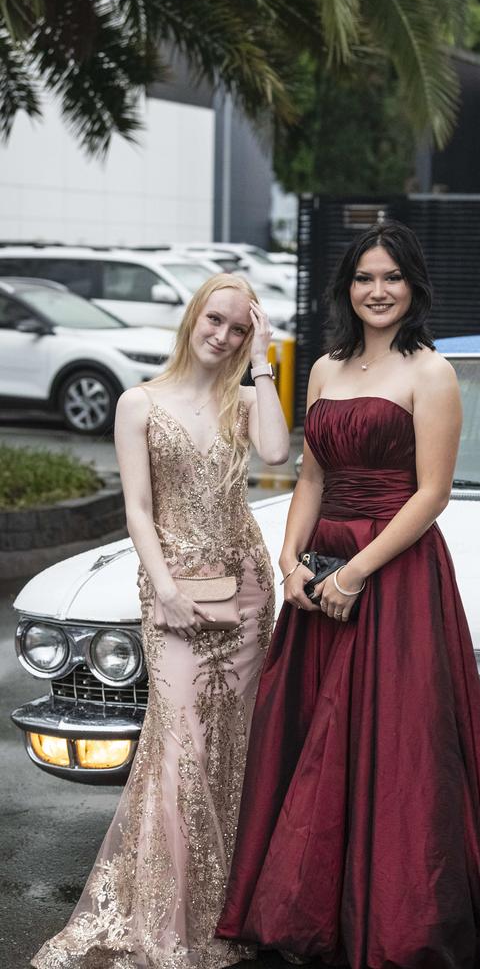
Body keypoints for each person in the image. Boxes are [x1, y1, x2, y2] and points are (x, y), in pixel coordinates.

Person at [215, 223, 480, 969]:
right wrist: (290, 560)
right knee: (318, 744)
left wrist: (354, 575)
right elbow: (312, 477)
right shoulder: (322, 367)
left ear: (412, 286)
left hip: (395, 574)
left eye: (391, 277)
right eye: (363, 278)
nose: (377, 290)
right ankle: (311, 911)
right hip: (321, 571)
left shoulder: (431, 372)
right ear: (345, 289)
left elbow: (432, 494)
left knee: (395, 747)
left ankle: (393, 921)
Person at [32, 273, 289, 969]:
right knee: (181, 752)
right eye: (217, 320)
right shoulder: (138, 403)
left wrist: (264, 360)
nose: (224, 336)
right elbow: (138, 510)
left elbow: (275, 453)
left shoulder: (242, 401)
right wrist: (166, 587)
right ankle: (170, 917)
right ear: (192, 317)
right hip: (174, 592)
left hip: (245, 594)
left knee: (232, 752)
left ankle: (225, 906)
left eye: (239, 328)